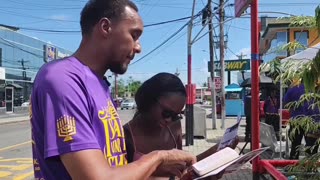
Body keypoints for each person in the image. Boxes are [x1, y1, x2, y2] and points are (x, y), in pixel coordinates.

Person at [30, 1, 196, 180]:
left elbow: (114, 167)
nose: (138, 47)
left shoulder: (99, 84)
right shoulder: (63, 79)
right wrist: (160, 157)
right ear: (105, 27)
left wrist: (158, 170)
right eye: (134, 35)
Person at [124, 73, 238, 179]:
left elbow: (183, 167)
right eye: (167, 113)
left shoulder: (174, 126)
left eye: (175, 115)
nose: (169, 120)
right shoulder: (125, 135)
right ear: (149, 100)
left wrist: (214, 154)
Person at [285, 83, 320, 159]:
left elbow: (286, 103)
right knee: (311, 147)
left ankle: (293, 163)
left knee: (295, 146)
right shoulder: (315, 87)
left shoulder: (293, 88)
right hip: (311, 120)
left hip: (296, 120)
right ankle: (310, 166)